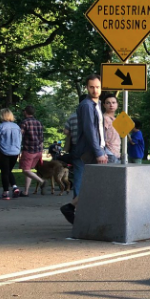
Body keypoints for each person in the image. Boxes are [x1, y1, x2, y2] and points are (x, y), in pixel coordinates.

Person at [61, 75, 108, 224]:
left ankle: (74, 209)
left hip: (94, 150)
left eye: (97, 87)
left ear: (101, 88)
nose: (95, 90)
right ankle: (75, 212)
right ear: (87, 88)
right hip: (86, 153)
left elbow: (99, 130)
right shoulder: (87, 105)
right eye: (92, 87)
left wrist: (103, 148)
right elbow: (89, 131)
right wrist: (99, 152)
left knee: (95, 185)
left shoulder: (97, 104)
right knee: (85, 185)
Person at [0, 108, 22, 200]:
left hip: (4, 151)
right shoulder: (17, 127)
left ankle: (5, 192)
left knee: (4, 172)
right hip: (15, 152)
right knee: (8, 170)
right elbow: (20, 140)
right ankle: (15, 187)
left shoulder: (0, 127)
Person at [18, 105, 45, 196]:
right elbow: (41, 137)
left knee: (25, 170)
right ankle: (26, 191)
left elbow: (19, 135)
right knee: (28, 170)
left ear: (25, 112)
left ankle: (41, 181)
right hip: (38, 150)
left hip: (29, 150)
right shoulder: (39, 122)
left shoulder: (24, 122)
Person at [100, 93, 121, 163]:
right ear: (104, 105)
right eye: (108, 103)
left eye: (113, 102)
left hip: (116, 152)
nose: (111, 105)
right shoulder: (104, 118)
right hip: (109, 152)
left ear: (117, 104)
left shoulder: (115, 119)